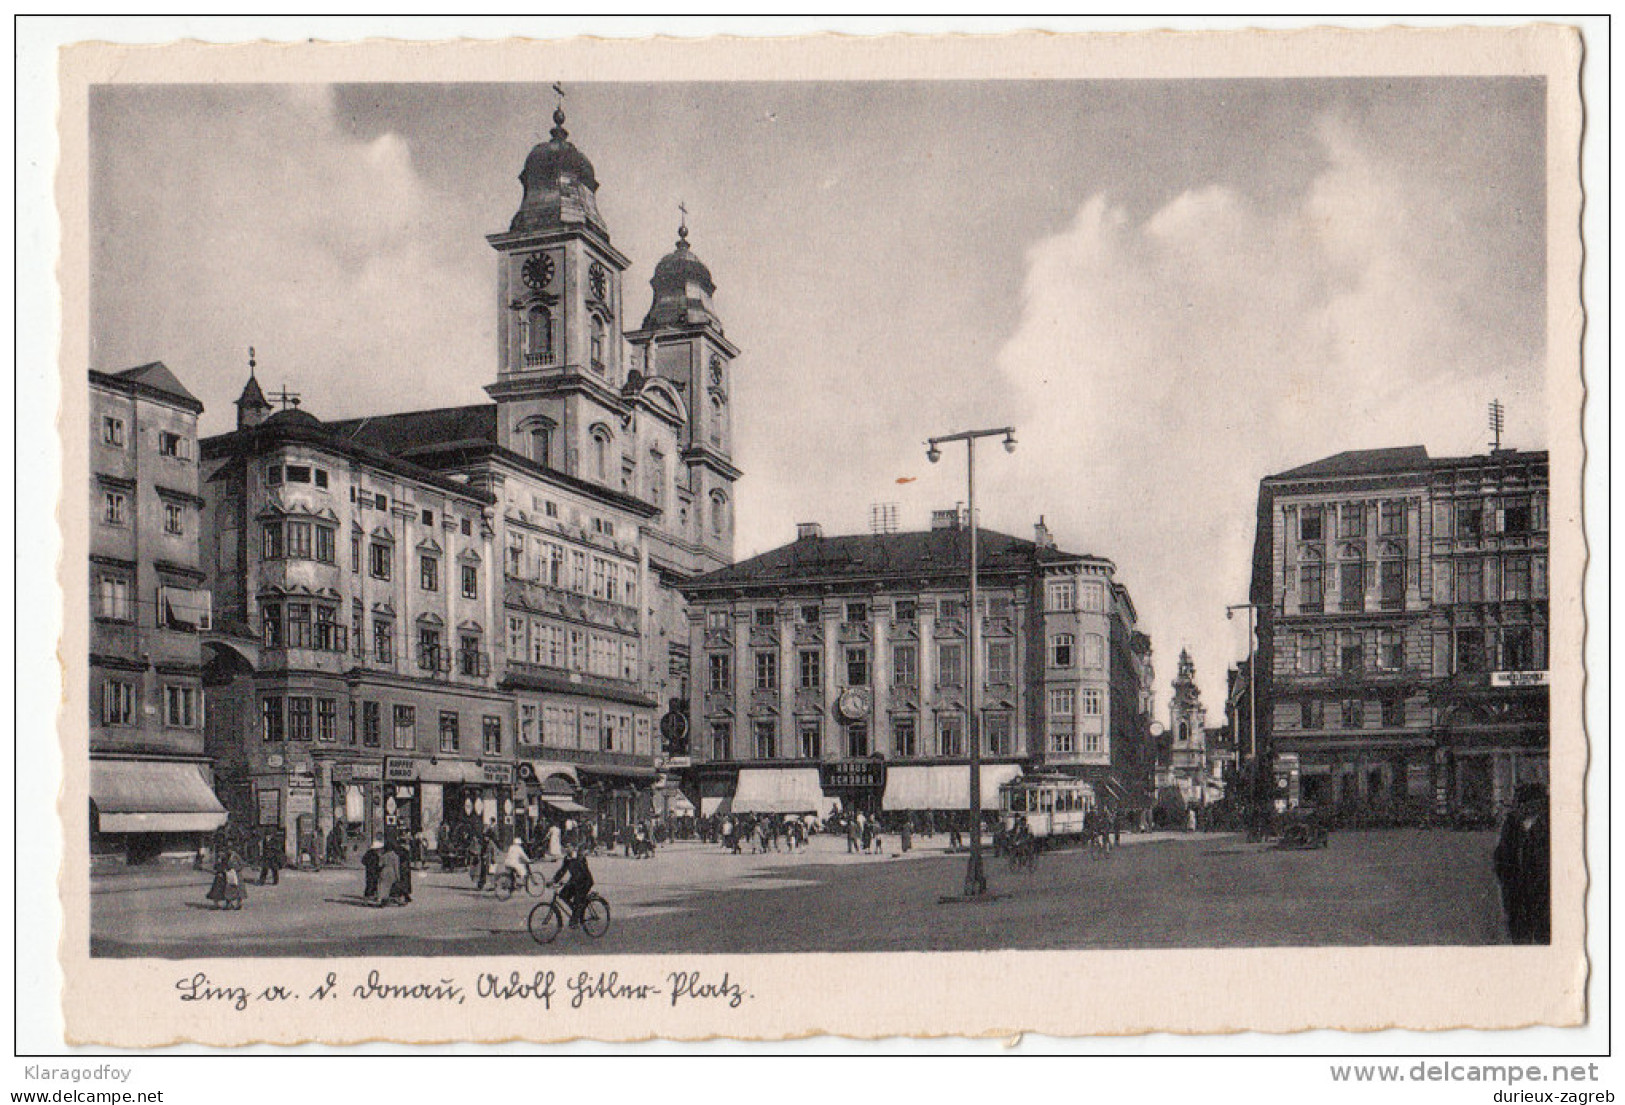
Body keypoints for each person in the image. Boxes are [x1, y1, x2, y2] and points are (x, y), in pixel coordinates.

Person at [1494, 783, 1551, 944]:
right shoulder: (1512, 824)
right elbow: (1501, 856)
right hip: (1516, 895)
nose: (1517, 808)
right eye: (1517, 804)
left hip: (1542, 896)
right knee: (1520, 938)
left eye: (1521, 803)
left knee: (1544, 939)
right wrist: (1506, 880)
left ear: (1537, 804)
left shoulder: (1550, 824)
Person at [550, 844, 596, 928]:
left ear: (573, 847)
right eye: (565, 847)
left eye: (568, 846)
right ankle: (576, 912)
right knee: (563, 895)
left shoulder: (579, 857)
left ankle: (575, 919)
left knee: (577, 899)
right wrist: (554, 880)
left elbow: (581, 873)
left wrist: (568, 883)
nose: (566, 849)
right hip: (575, 881)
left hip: (585, 882)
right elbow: (562, 870)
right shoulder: (567, 858)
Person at [205, 845, 246, 910]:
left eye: (230, 850)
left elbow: (242, 864)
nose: (228, 851)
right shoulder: (223, 857)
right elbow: (218, 866)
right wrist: (222, 870)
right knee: (224, 889)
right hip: (225, 874)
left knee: (238, 889)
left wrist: (236, 869)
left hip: (236, 874)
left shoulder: (235, 856)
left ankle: (238, 903)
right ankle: (226, 904)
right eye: (227, 850)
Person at [374, 841, 401, 907]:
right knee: (389, 887)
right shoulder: (395, 856)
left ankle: (381, 899)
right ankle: (388, 900)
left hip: (384, 870)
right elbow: (396, 867)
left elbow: (380, 865)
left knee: (382, 886)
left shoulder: (383, 856)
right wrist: (398, 876)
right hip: (391, 871)